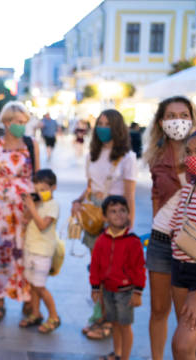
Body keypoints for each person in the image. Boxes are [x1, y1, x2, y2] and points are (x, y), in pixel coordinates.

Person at [135, 96, 196, 360]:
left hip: (190, 247)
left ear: (193, 118)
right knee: (158, 309)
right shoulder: (156, 157)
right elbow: (157, 199)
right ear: (161, 121)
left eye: (183, 114)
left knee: (187, 317)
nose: (178, 120)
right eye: (171, 115)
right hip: (161, 242)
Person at [71, 109, 138, 340]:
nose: (102, 127)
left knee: (112, 271)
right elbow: (90, 186)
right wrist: (79, 200)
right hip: (94, 216)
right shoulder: (92, 155)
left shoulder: (127, 157)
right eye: (99, 123)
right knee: (97, 270)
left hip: (115, 218)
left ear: (117, 128)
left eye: (107, 123)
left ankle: (109, 320)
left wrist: (129, 227)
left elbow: (130, 195)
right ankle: (100, 315)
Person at [0, 101, 40, 321]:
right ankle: (0, 300)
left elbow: (38, 178)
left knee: (25, 252)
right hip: (0, 208)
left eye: (25, 122)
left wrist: (36, 208)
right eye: (18, 122)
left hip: (24, 208)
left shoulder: (32, 145)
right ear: (6, 122)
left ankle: (25, 298)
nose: (22, 126)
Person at [90, 195, 145, 360]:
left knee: (125, 325)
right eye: (113, 211)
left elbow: (139, 268)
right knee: (114, 323)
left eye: (122, 210)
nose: (118, 215)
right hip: (108, 290)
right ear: (105, 217)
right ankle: (118, 353)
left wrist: (138, 292)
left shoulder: (133, 240)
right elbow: (96, 265)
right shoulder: (101, 240)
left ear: (128, 214)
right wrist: (95, 287)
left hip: (126, 291)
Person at [170, 130, 196, 360]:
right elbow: (177, 225)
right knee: (192, 347)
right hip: (180, 270)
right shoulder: (190, 186)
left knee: (181, 345)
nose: (192, 158)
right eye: (189, 152)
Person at [19, 169, 61, 333]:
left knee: (41, 287)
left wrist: (33, 208)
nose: (39, 193)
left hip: (43, 252)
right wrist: (29, 207)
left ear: (53, 187)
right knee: (32, 285)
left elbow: (43, 225)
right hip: (30, 248)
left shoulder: (53, 205)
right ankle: (36, 314)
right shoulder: (37, 203)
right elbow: (25, 220)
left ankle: (54, 317)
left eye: (43, 190)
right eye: (36, 190)